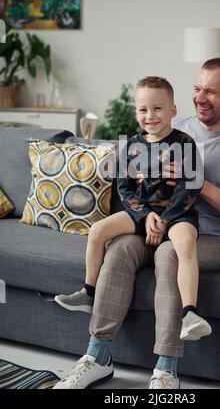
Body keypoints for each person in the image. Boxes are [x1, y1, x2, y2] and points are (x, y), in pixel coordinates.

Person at [53, 57, 220, 390]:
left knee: (169, 252)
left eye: (212, 92)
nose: (201, 97)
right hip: (157, 223)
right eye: (198, 88)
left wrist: (202, 184)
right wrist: (143, 204)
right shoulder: (170, 126)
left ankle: (166, 370)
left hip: (215, 239)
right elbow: (131, 175)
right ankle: (97, 356)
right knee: (121, 246)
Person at [55, 76, 211, 343]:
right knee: (97, 231)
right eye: (143, 109)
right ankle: (89, 292)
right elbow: (125, 189)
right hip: (142, 213)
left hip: (176, 214)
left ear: (173, 110)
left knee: (185, 242)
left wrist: (163, 219)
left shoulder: (185, 144)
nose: (150, 115)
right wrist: (145, 215)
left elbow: (190, 189)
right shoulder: (131, 146)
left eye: (157, 108)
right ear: (136, 111)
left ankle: (189, 314)